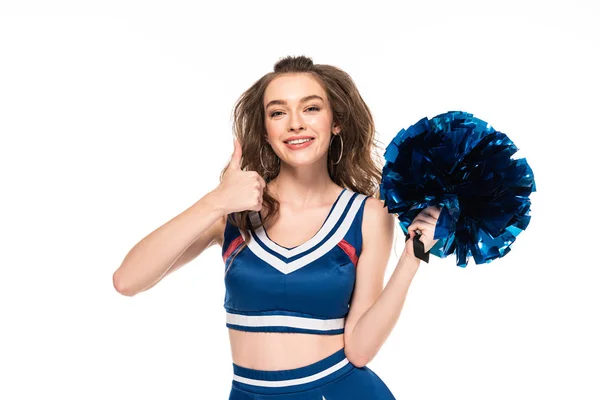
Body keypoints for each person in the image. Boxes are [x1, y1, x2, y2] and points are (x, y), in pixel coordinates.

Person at [113, 55, 440, 399]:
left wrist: (411, 258)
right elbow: (127, 281)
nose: (295, 124)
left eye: (311, 108)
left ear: (336, 123)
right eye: (278, 112)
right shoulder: (233, 211)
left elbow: (359, 349)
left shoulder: (367, 214)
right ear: (265, 132)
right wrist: (216, 201)